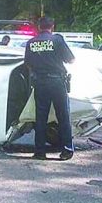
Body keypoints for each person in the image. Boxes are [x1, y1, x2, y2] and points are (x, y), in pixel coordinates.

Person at [24, 16, 75, 161]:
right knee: (63, 117)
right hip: (57, 82)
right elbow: (71, 59)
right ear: (52, 26)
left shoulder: (31, 42)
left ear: (39, 27)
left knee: (40, 118)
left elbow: (27, 64)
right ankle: (66, 150)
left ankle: (40, 151)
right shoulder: (57, 40)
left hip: (40, 82)